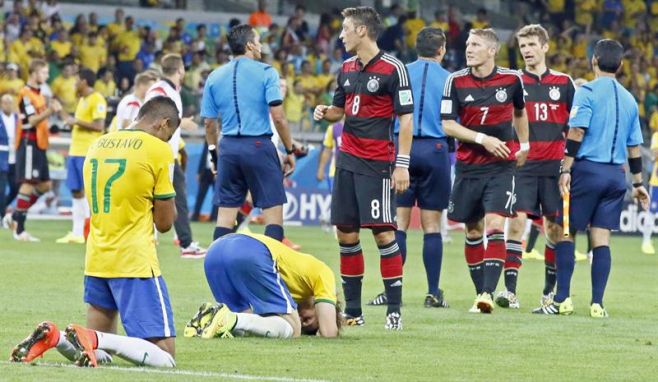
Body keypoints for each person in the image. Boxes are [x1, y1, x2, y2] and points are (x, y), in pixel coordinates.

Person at [10, 96, 180, 368]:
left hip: (97, 257)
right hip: (134, 260)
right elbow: (164, 223)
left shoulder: (98, 144)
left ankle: (57, 339)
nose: (168, 140)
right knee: (165, 357)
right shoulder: (157, 150)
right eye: (169, 134)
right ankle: (90, 337)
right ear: (163, 123)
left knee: (100, 356)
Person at [313, 6, 414, 330]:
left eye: (345, 29)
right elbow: (339, 111)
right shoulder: (345, 68)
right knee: (346, 234)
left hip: (377, 163)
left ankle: (394, 310)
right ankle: (354, 311)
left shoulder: (393, 68)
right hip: (347, 162)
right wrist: (324, 111)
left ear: (361, 31)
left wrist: (402, 164)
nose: (340, 35)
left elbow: (406, 118)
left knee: (384, 234)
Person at [533, 39, 649, 317]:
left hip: (587, 171)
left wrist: (565, 169)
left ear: (593, 60)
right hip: (615, 176)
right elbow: (634, 148)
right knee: (601, 239)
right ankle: (597, 304)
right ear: (621, 66)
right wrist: (637, 183)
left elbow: (576, 133)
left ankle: (561, 300)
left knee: (567, 232)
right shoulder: (630, 99)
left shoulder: (586, 92)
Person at [440, 28, 529, 314]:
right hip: (467, 167)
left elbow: (519, 112)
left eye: (476, 44)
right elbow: (448, 125)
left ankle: (487, 294)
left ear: (492, 50)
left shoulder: (512, 79)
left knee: (494, 224)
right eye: (468, 44)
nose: (469, 48)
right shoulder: (455, 80)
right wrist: (483, 139)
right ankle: (480, 291)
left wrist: (524, 144)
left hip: (501, 167)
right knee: (473, 229)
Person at [368, 27, 451, 309]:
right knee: (431, 226)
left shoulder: (400, 72)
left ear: (416, 47)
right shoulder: (450, 79)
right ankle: (432, 292)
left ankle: (391, 291)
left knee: (399, 223)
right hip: (436, 150)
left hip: (401, 148)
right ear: (442, 49)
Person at [495, 24, 576, 309]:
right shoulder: (513, 82)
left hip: (554, 167)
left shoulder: (565, 83)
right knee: (515, 225)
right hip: (523, 166)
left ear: (545, 46)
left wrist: (570, 164)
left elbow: (576, 128)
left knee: (554, 231)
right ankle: (510, 292)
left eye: (531, 45)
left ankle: (549, 293)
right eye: (523, 47)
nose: (527, 51)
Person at [202, 24, 295, 243]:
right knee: (273, 216)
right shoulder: (267, 72)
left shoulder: (214, 76)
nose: (262, 45)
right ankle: (270, 270)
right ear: (250, 45)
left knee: (225, 218)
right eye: (259, 40)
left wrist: (214, 154)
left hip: (228, 148)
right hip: (259, 146)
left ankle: (218, 270)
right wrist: (289, 149)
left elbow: (209, 124)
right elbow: (279, 117)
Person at [184, 233, 340, 339]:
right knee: (293, 329)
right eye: (309, 318)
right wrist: (323, 328)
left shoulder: (282, 289)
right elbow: (329, 332)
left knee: (243, 328)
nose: (301, 318)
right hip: (249, 250)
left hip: (215, 252)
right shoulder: (323, 273)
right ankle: (228, 318)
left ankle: (202, 323)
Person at [145, 53, 206, 258]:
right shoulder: (162, 91)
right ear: (180, 70)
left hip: (164, 153)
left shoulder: (167, 90)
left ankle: (182, 242)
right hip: (159, 154)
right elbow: (154, 119)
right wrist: (182, 122)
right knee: (173, 198)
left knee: (173, 198)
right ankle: (185, 244)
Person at [4, 59, 62, 241]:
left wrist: (52, 124)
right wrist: (50, 111)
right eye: (43, 72)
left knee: (45, 185)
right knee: (28, 183)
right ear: (34, 73)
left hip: (40, 144)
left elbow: (41, 120)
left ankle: (13, 216)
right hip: (28, 143)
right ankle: (19, 229)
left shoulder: (39, 95)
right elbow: (31, 121)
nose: (46, 75)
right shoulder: (25, 93)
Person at [56, 68, 107, 244]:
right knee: (76, 192)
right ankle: (77, 233)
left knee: (89, 193)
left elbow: (99, 125)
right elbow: (74, 124)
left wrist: (76, 121)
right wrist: (60, 111)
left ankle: (90, 232)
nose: (75, 83)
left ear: (84, 81)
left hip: (89, 153)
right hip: (75, 151)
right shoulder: (82, 100)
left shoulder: (97, 99)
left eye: (77, 80)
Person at [0, 94, 20, 220]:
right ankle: (2, 215)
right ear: (1, 104)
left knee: (16, 187)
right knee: (1, 189)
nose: (8, 104)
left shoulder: (17, 118)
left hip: (15, 157)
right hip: (1, 157)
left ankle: (2, 209)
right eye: (5, 102)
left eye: (10, 102)